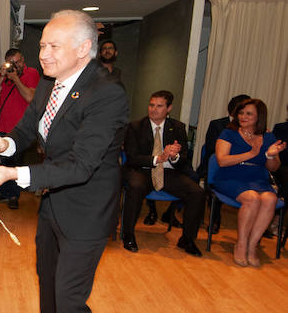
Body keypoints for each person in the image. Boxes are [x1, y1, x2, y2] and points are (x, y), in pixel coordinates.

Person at [0, 9, 129, 313]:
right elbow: (27, 132)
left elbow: (81, 165)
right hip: (54, 199)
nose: (41, 54)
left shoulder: (108, 94)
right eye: (41, 45)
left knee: (70, 297)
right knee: (46, 271)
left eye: (51, 46)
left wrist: (14, 174)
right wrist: (3, 143)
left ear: (84, 49)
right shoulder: (49, 83)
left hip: (87, 209)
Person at [121, 90, 205, 257]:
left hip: (168, 172)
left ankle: (187, 239)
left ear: (169, 108)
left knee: (197, 192)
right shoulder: (135, 127)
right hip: (142, 170)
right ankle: (128, 235)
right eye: (151, 105)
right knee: (135, 187)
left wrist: (174, 156)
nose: (154, 109)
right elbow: (132, 158)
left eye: (159, 106)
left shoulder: (178, 127)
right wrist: (158, 158)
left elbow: (184, 160)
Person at [213, 98, 286, 267]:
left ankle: (252, 246)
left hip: (257, 178)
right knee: (252, 198)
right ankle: (241, 244)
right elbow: (222, 161)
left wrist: (271, 155)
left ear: (259, 116)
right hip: (230, 176)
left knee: (270, 199)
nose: (243, 116)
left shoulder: (268, 136)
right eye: (241, 113)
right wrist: (253, 153)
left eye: (248, 113)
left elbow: (273, 168)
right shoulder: (228, 133)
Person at [0, 47, 40, 209]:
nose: (16, 66)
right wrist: (2, 78)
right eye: (12, 63)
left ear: (23, 60)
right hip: (2, 127)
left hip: (21, 130)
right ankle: (5, 193)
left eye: (18, 62)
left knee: (16, 164)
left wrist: (16, 79)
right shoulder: (5, 75)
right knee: (3, 162)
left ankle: (13, 196)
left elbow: (30, 97)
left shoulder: (32, 74)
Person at [202, 94, 250, 234]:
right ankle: (215, 219)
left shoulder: (251, 130)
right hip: (216, 165)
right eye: (242, 112)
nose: (244, 116)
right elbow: (212, 149)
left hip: (240, 168)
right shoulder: (217, 125)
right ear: (233, 111)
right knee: (214, 184)